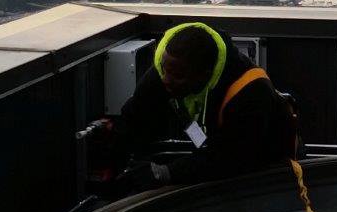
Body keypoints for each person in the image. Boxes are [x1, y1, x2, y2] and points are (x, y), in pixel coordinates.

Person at [111, 22, 297, 196]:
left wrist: (166, 173)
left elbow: (231, 159)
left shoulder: (250, 92)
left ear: (204, 76)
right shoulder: (169, 68)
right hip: (215, 153)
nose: (166, 79)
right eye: (163, 68)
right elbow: (134, 118)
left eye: (177, 76)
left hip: (269, 171)